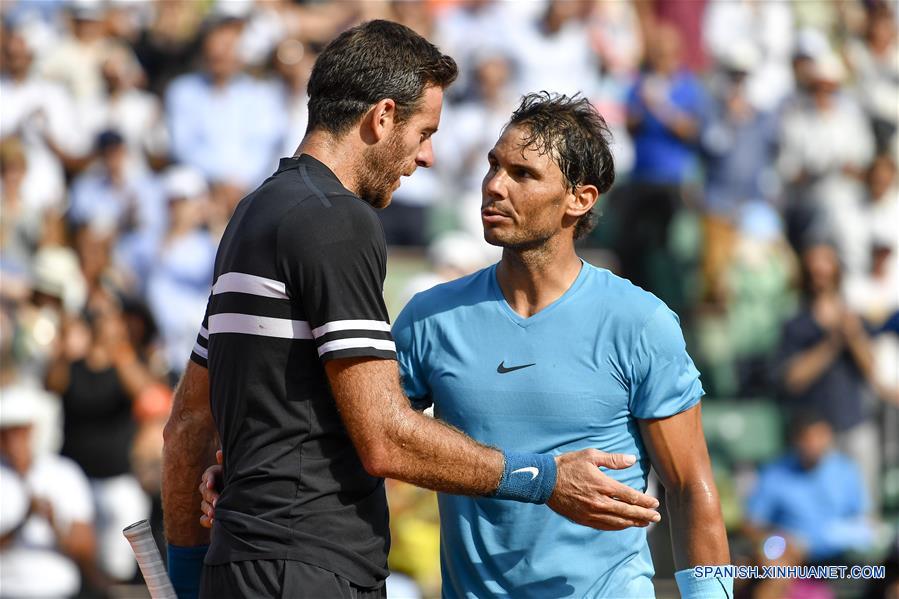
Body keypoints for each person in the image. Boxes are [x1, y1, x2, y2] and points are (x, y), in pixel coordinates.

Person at [164, 20, 661, 599]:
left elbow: (188, 425)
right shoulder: (338, 220)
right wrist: (545, 478)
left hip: (241, 565)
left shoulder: (253, 213)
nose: (427, 156)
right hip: (307, 568)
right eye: (424, 131)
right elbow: (384, 437)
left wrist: (183, 576)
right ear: (381, 118)